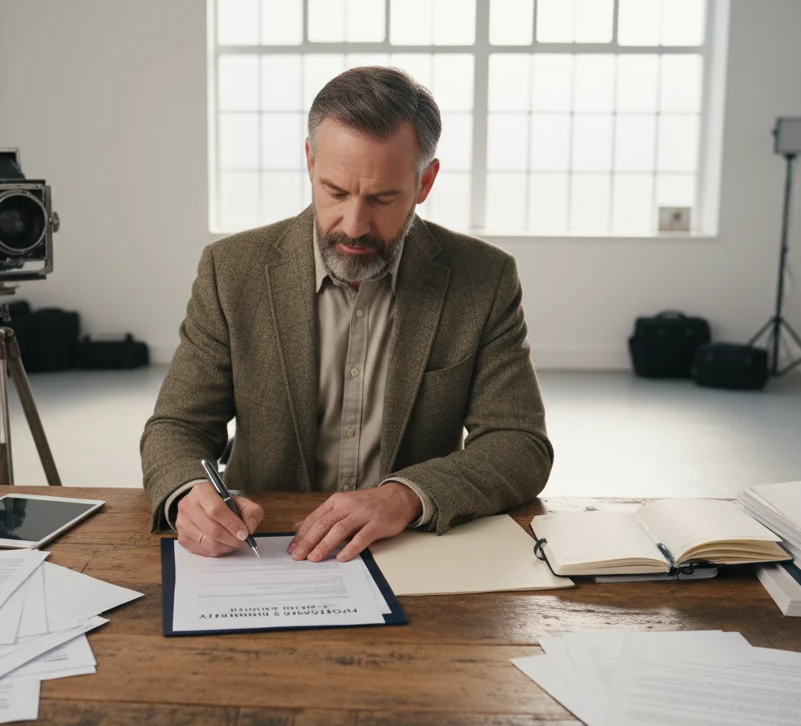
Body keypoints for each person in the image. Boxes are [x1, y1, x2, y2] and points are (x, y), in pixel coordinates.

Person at [141, 66, 553, 563]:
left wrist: (406, 495)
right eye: (335, 192)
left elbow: (519, 443)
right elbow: (177, 427)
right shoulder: (231, 271)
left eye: (382, 198)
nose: (354, 225)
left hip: (412, 550)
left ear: (425, 182)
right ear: (310, 161)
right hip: (261, 551)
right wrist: (188, 491)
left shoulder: (484, 278)